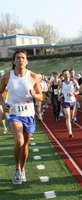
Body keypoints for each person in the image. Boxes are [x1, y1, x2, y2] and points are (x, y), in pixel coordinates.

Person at [0, 50, 43, 184]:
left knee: (25, 146)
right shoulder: (7, 77)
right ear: (14, 61)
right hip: (14, 114)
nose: (21, 60)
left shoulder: (33, 76)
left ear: (27, 61)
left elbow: (41, 96)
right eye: (18, 58)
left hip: (28, 114)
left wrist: (34, 96)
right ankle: (16, 168)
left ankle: (22, 169)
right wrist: (4, 104)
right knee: (19, 141)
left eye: (23, 58)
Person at [57, 70, 79, 138]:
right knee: (68, 116)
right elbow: (58, 89)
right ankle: (70, 131)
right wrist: (58, 95)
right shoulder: (62, 83)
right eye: (65, 74)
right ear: (63, 76)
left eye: (67, 74)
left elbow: (79, 89)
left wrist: (74, 93)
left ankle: (70, 128)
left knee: (71, 117)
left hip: (72, 101)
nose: (66, 76)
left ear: (69, 75)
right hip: (65, 101)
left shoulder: (73, 81)